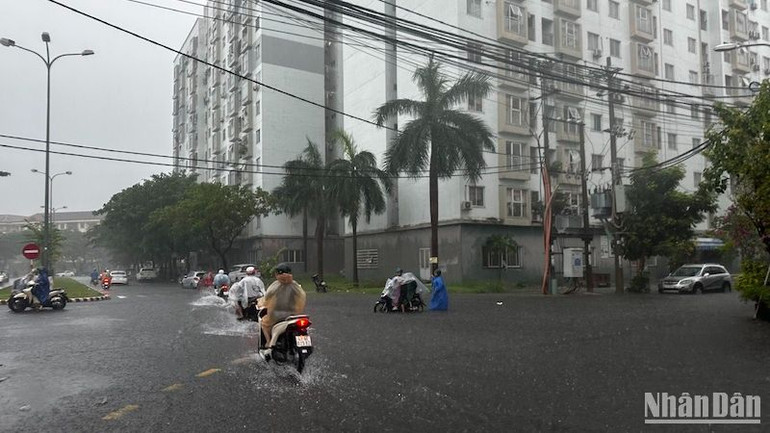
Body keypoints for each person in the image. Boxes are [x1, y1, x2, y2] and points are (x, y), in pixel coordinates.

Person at [259, 263, 306, 357]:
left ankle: (268, 343)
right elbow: (302, 296)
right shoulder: (295, 285)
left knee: (264, 324)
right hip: (292, 314)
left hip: (276, 315)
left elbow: (267, 298)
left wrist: (261, 303)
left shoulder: (275, 285)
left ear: (277, 274)